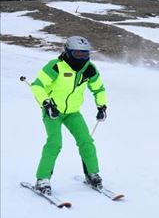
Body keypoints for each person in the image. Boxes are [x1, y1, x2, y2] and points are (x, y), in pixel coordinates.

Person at [30, 36, 108, 195]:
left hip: (73, 113)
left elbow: (98, 89)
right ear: (68, 52)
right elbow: (37, 86)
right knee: (55, 142)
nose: (82, 58)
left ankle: (92, 173)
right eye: (78, 54)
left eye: (85, 54)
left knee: (86, 141)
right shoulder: (56, 66)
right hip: (53, 112)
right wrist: (47, 103)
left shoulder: (89, 69)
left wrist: (101, 106)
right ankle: (42, 179)